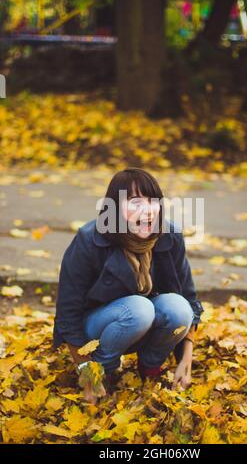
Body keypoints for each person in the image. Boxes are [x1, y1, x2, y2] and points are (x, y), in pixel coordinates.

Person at [52, 168, 204, 404]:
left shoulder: (168, 235)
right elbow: (67, 314)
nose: (147, 209)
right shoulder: (90, 239)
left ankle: (150, 367)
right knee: (139, 308)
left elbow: (190, 301)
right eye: (135, 201)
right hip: (97, 327)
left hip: (143, 321)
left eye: (153, 201)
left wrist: (186, 361)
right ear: (114, 207)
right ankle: (103, 371)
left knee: (178, 307)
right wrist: (87, 372)